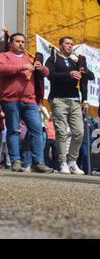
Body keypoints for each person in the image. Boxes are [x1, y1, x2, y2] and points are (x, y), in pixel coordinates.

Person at [0, 33, 53, 173]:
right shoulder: (4, 55)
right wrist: (22, 67)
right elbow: (0, 68)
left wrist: (41, 68)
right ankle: (15, 161)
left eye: (23, 41)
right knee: (13, 130)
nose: (21, 44)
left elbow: (46, 73)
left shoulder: (30, 57)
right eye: (18, 41)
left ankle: (37, 162)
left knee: (37, 130)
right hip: (10, 100)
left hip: (30, 101)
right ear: (11, 43)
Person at [46, 37, 94, 175]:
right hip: (58, 99)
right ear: (60, 46)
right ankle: (62, 163)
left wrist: (85, 99)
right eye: (67, 44)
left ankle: (72, 161)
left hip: (74, 100)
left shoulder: (76, 61)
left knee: (79, 132)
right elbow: (51, 75)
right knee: (61, 132)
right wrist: (69, 73)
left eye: (72, 44)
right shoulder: (53, 59)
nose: (70, 46)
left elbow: (88, 78)